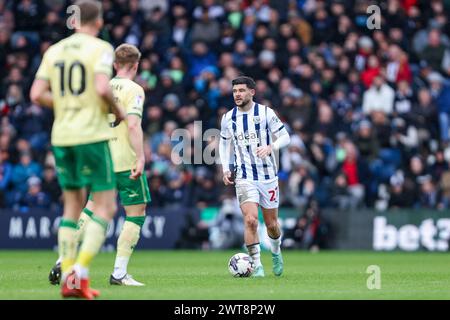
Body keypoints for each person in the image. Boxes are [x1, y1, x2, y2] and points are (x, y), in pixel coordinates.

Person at [30, 0, 125, 299]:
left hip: (62, 137)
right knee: (106, 206)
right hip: (92, 136)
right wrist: (116, 109)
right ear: (98, 21)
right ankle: (79, 272)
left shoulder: (54, 50)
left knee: (71, 207)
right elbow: (100, 87)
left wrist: (66, 103)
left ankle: (68, 275)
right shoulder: (101, 48)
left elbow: (36, 95)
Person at [48, 43, 151, 286]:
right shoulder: (134, 89)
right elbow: (133, 125)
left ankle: (65, 257)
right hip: (125, 159)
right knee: (136, 212)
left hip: (100, 156)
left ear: (115, 65)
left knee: (92, 207)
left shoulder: (99, 87)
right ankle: (119, 272)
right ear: (136, 65)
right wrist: (141, 156)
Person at [219, 76, 291, 277]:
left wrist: (271, 147)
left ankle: (276, 252)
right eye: (234, 91)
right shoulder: (228, 118)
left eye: (241, 90)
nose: (237, 94)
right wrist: (226, 168)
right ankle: (256, 265)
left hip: (268, 176)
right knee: (250, 220)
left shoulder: (266, 113)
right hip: (244, 176)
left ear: (252, 92)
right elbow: (224, 144)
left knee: (272, 225)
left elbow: (286, 136)